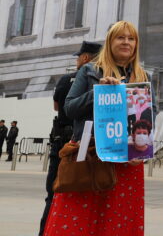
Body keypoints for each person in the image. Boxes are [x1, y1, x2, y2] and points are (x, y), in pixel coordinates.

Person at [44, 21, 149, 235]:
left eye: (131, 38)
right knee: (77, 218)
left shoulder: (142, 76)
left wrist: (143, 150)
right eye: (120, 37)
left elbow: (150, 115)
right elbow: (69, 108)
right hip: (90, 153)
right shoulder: (89, 71)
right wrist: (97, 92)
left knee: (118, 220)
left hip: (127, 158)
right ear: (110, 42)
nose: (126, 42)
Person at [39, 40, 101, 235]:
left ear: (85, 58)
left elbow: (57, 106)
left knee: (54, 192)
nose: (77, 61)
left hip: (64, 140)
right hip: (85, 142)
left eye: (78, 57)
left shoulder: (66, 79)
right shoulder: (102, 80)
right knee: (83, 194)